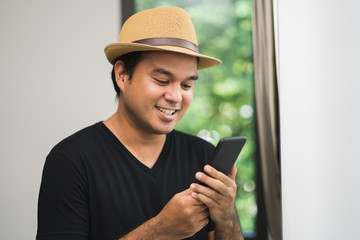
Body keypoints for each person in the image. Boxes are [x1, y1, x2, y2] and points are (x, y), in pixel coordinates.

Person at [36, 7, 244, 240]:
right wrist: (159, 231)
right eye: (162, 80)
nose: (176, 96)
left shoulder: (203, 158)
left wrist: (227, 216)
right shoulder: (71, 161)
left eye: (186, 85)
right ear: (122, 75)